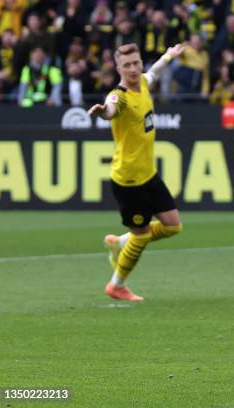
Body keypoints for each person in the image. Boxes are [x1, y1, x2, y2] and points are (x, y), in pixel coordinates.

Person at [87, 43, 184, 301]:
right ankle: (116, 285)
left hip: (148, 173)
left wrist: (168, 56)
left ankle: (120, 242)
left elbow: (155, 72)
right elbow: (110, 108)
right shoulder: (119, 96)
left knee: (173, 226)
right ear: (118, 68)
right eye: (126, 65)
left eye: (135, 63)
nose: (132, 69)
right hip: (129, 180)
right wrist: (102, 112)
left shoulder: (142, 81)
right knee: (140, 237)